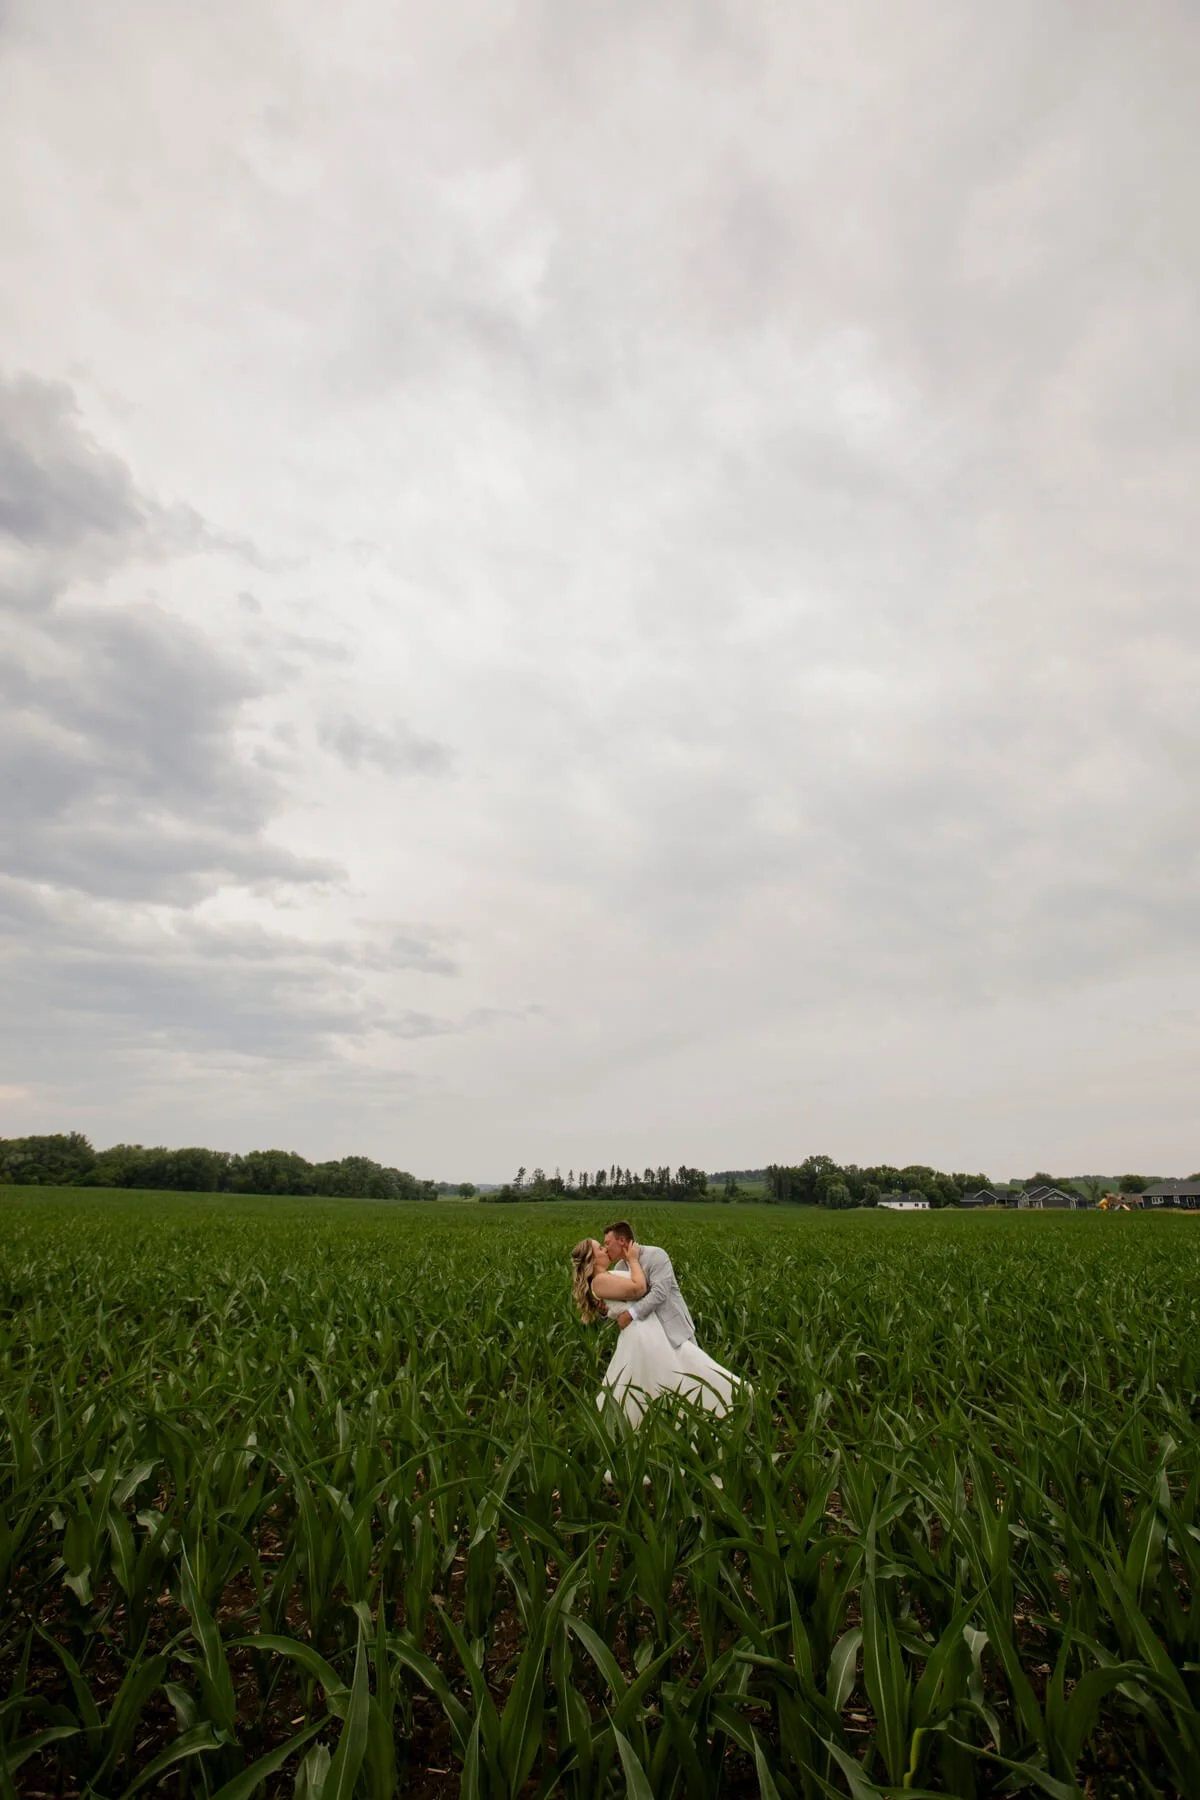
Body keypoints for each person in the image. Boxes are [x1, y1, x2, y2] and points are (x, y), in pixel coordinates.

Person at [569, 1221, 742, 1428]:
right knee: (663, 1376)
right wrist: (610, 1312)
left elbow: (658, 1293)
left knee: (692, 1365)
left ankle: (725, 1404)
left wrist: (628, 1313)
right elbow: (618, 1297)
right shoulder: (620, 1267)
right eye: (601, 1247)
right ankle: (669, 1422)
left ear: (622, 1241)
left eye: (606, 1243)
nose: (605, 1249)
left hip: (669, 1324)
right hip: (647, 1332)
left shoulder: (656, 1256)